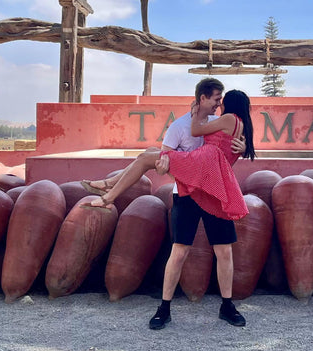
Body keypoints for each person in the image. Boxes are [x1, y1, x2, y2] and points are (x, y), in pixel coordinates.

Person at [80, 78, 254, 329]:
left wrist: (238, 142)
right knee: (179, 250)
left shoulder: (222, 123)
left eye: (222, 101)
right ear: (202, 99)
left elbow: (217, 147)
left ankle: (227, 305)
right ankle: (164, 307)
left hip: (212, 188)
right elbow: (171, 153)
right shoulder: (184, 125)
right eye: (216, 100)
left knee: (224, 251)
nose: (219, 105)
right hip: (188, 189)